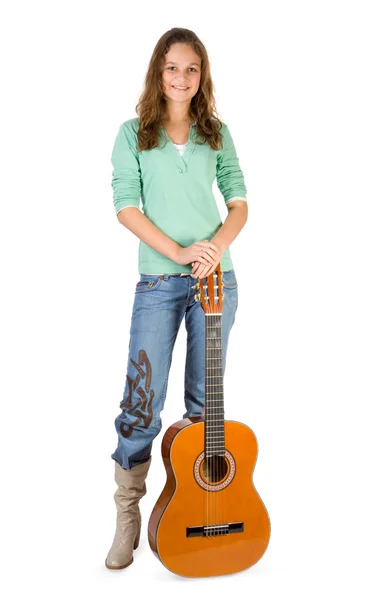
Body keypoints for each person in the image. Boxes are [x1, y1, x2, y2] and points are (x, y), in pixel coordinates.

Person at [105, 27, 248, 570]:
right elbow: (126, 207)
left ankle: (192, 508)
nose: (181, 78)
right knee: (141, 405)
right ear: (157, 72)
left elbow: (238, 201)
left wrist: (212, 249)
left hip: (218, 279)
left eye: (191, 69)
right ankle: (127, 516)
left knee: (203, 408)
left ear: (201, 75)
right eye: (172, 68)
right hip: (160, 282)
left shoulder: (217, 132)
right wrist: (182, 253)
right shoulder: (132, 133)